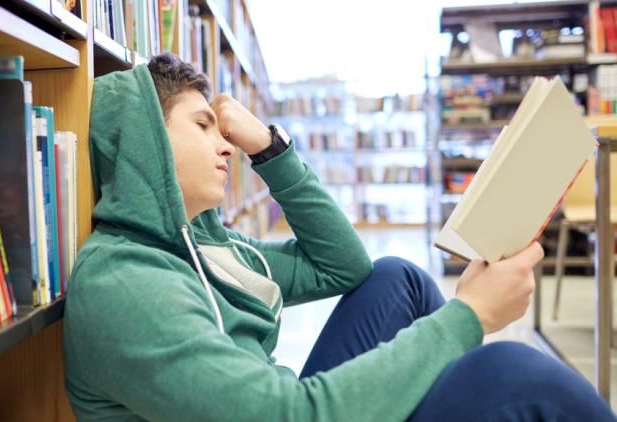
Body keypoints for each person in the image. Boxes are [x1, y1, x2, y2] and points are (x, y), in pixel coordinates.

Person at [63, 52, 615, 421]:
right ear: (147, 147)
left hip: (279, 403)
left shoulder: (211, 248)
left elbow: (343, 267)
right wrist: (469, 317)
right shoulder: (126, 283)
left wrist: (270, 151)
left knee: (397, 277)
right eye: (203, 125)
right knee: (511, 373)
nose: (226, 144)